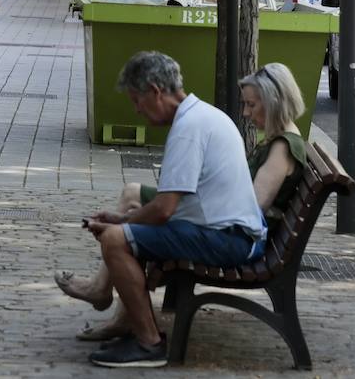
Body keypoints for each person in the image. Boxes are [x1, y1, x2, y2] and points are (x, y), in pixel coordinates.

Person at [56, 62, 307, 345]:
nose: (246, 113)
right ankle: (123, 317)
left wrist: (135, 221)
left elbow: (252, 205)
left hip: (237, 239)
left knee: (121, 234)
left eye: (252, 104)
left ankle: (140, 334)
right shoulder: (265, 137)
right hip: (233, 230)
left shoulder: (280, 146)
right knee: (134, 221)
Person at [76, 52, 266, 367]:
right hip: (231, 232)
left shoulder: (189, 127)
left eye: (137, 100)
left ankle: (149, 343)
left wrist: (119, 227)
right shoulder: (200, 115)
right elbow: (175, 205)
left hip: (232, 240)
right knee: (126, 227)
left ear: (155, 90)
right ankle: (135, 326)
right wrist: (125, 219)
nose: (137, 109)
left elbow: (164, 209)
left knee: (114, 240)